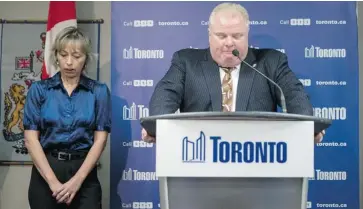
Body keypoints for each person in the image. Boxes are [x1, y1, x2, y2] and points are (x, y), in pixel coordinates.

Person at [141, 2, 325, 143]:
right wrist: (157, 127)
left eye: (237, 36)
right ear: (209, 34)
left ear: (247, 34)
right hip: (199, 159)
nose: (229, 42)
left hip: (257, 162)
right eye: (221, 36)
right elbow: (164, 96)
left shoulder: (270, 62)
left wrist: (307, 127)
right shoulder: (186, 62)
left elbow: (294, 95)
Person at [23, 26, 111, 209]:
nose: (69, 62)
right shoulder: (39, 90)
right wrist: (53, 183)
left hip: (84, 172)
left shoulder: (99, 92)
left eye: (76, 56)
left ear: (86, 58)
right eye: (64, 55)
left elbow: (100, 141)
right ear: (56, 56)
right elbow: (31, 140)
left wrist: (77, 182)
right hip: (46, 169)